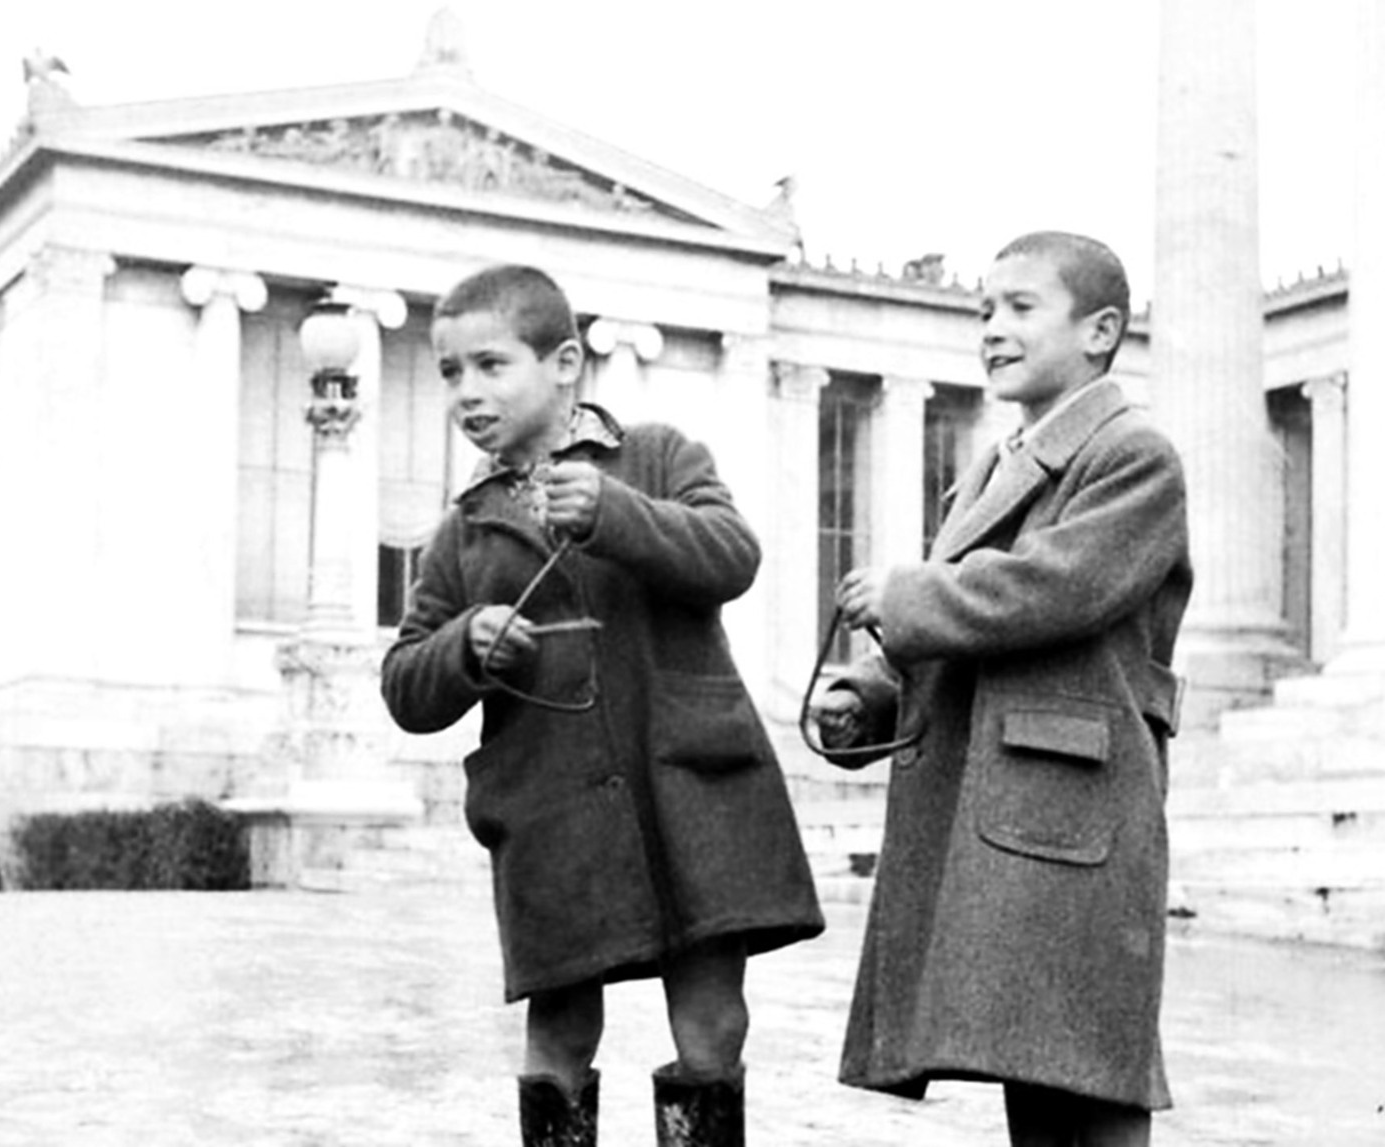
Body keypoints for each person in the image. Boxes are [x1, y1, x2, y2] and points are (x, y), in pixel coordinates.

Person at [381, 264, 824, 1147]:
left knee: (711, 1015)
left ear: (565, 363)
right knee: (559, 1024)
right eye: (451, 372)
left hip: (691, 788)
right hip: (550, 812)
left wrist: (618, 512)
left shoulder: (655, 456)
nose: (467, 392)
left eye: (492, 365)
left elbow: (733, 554)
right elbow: (404, 684)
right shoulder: (461, 530)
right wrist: (465, 643)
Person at [809, 231, 1192, 1147]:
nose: (991, 327)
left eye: (1021, 307)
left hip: (1079, 804)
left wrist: (907, 597)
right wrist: (872, 694)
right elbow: (968, 645)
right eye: (985, 309)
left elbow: (1054, 588)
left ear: (1100, 331)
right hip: (1018, 800)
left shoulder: (1134, 454)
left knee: (1090, 1069)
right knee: (1036, 1063)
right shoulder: (991, 466)